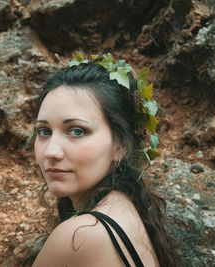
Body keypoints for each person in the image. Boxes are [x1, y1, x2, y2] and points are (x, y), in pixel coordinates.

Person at [30, 59, 178, 266]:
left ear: (120, 145)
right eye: (44, 131)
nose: (51, 152)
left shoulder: (80, 236)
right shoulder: (128, 212)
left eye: (77, 131)